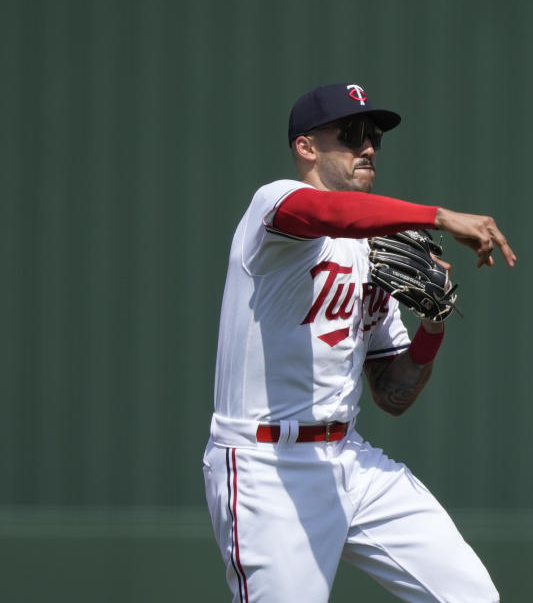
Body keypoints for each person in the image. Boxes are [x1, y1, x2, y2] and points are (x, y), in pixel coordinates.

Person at [202, 82, 515, 603]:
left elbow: (392, 394)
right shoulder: (276, 205)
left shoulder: (376, 253)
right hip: (266, 466)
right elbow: (329, 215)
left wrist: (432, 326)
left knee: (472, 596)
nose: (367, 146)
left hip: (349, 458)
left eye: (373, 136)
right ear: (306, 147)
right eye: (349, 134)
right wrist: (438, 215)